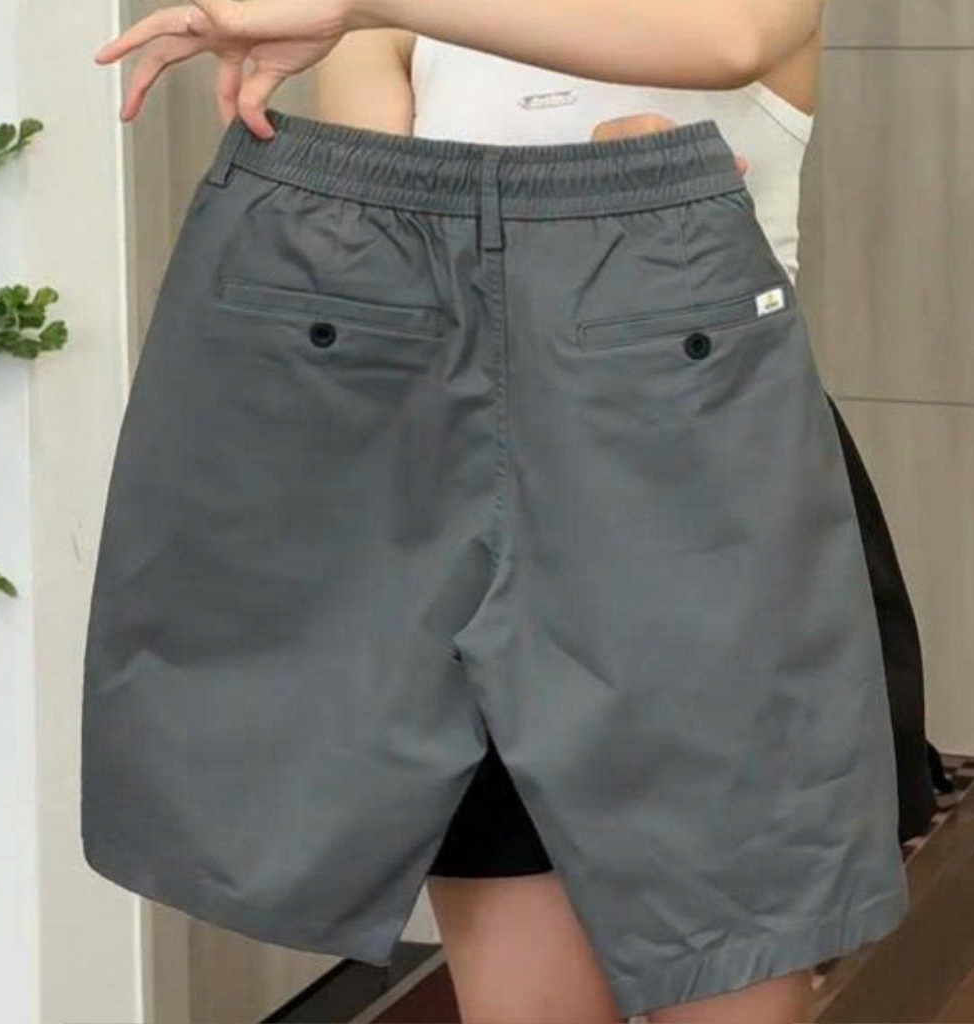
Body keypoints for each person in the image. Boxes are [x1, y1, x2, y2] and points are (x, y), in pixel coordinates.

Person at [86, 3, 918, 1022]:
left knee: (734, 961)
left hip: (703, 496)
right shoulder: (387, 26)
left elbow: (730, 43)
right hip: (454, 483)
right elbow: (371, 267)